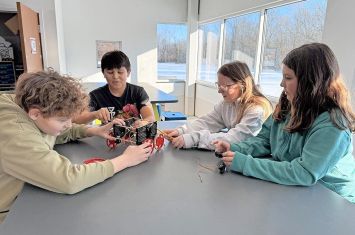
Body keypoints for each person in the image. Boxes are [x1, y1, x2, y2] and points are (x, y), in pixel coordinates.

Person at [0, 71, 153, 223]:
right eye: (62, 120)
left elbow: (50, 129)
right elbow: (69, 179)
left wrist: (93, 130)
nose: (68, 124)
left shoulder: (26, 104)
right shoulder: (17, 135)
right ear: (35, 114)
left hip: (27, 194)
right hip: (9, 214)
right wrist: (125, 160)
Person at [214, 43, 355, 203]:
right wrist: (235, 148)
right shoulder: (288, 105)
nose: (281, 84)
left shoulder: (333, 124)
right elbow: (264, 140)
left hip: (334, 201)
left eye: (288, 78)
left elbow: (304, 173)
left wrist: (247, 164)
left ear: (311, 81)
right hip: (295, 191)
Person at [165, 61, 272, 150]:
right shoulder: (227, 103)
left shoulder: (257, 109)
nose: (219, 90)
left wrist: (194, 138)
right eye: (219, 85)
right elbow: (207, 122)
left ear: (242, 85)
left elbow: (235, 138)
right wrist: (181, 131)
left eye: (225, 86)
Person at [73, 50, 155, 124]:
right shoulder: (96, 95)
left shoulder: (138, 92)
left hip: (133, 136)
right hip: (107, 136)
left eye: (120, 72)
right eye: (110, 72)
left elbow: (150, 117)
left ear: (128, 72)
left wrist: (144, 122)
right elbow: (78, 119)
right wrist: (94, 114)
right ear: (103, 73)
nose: (115, 76)